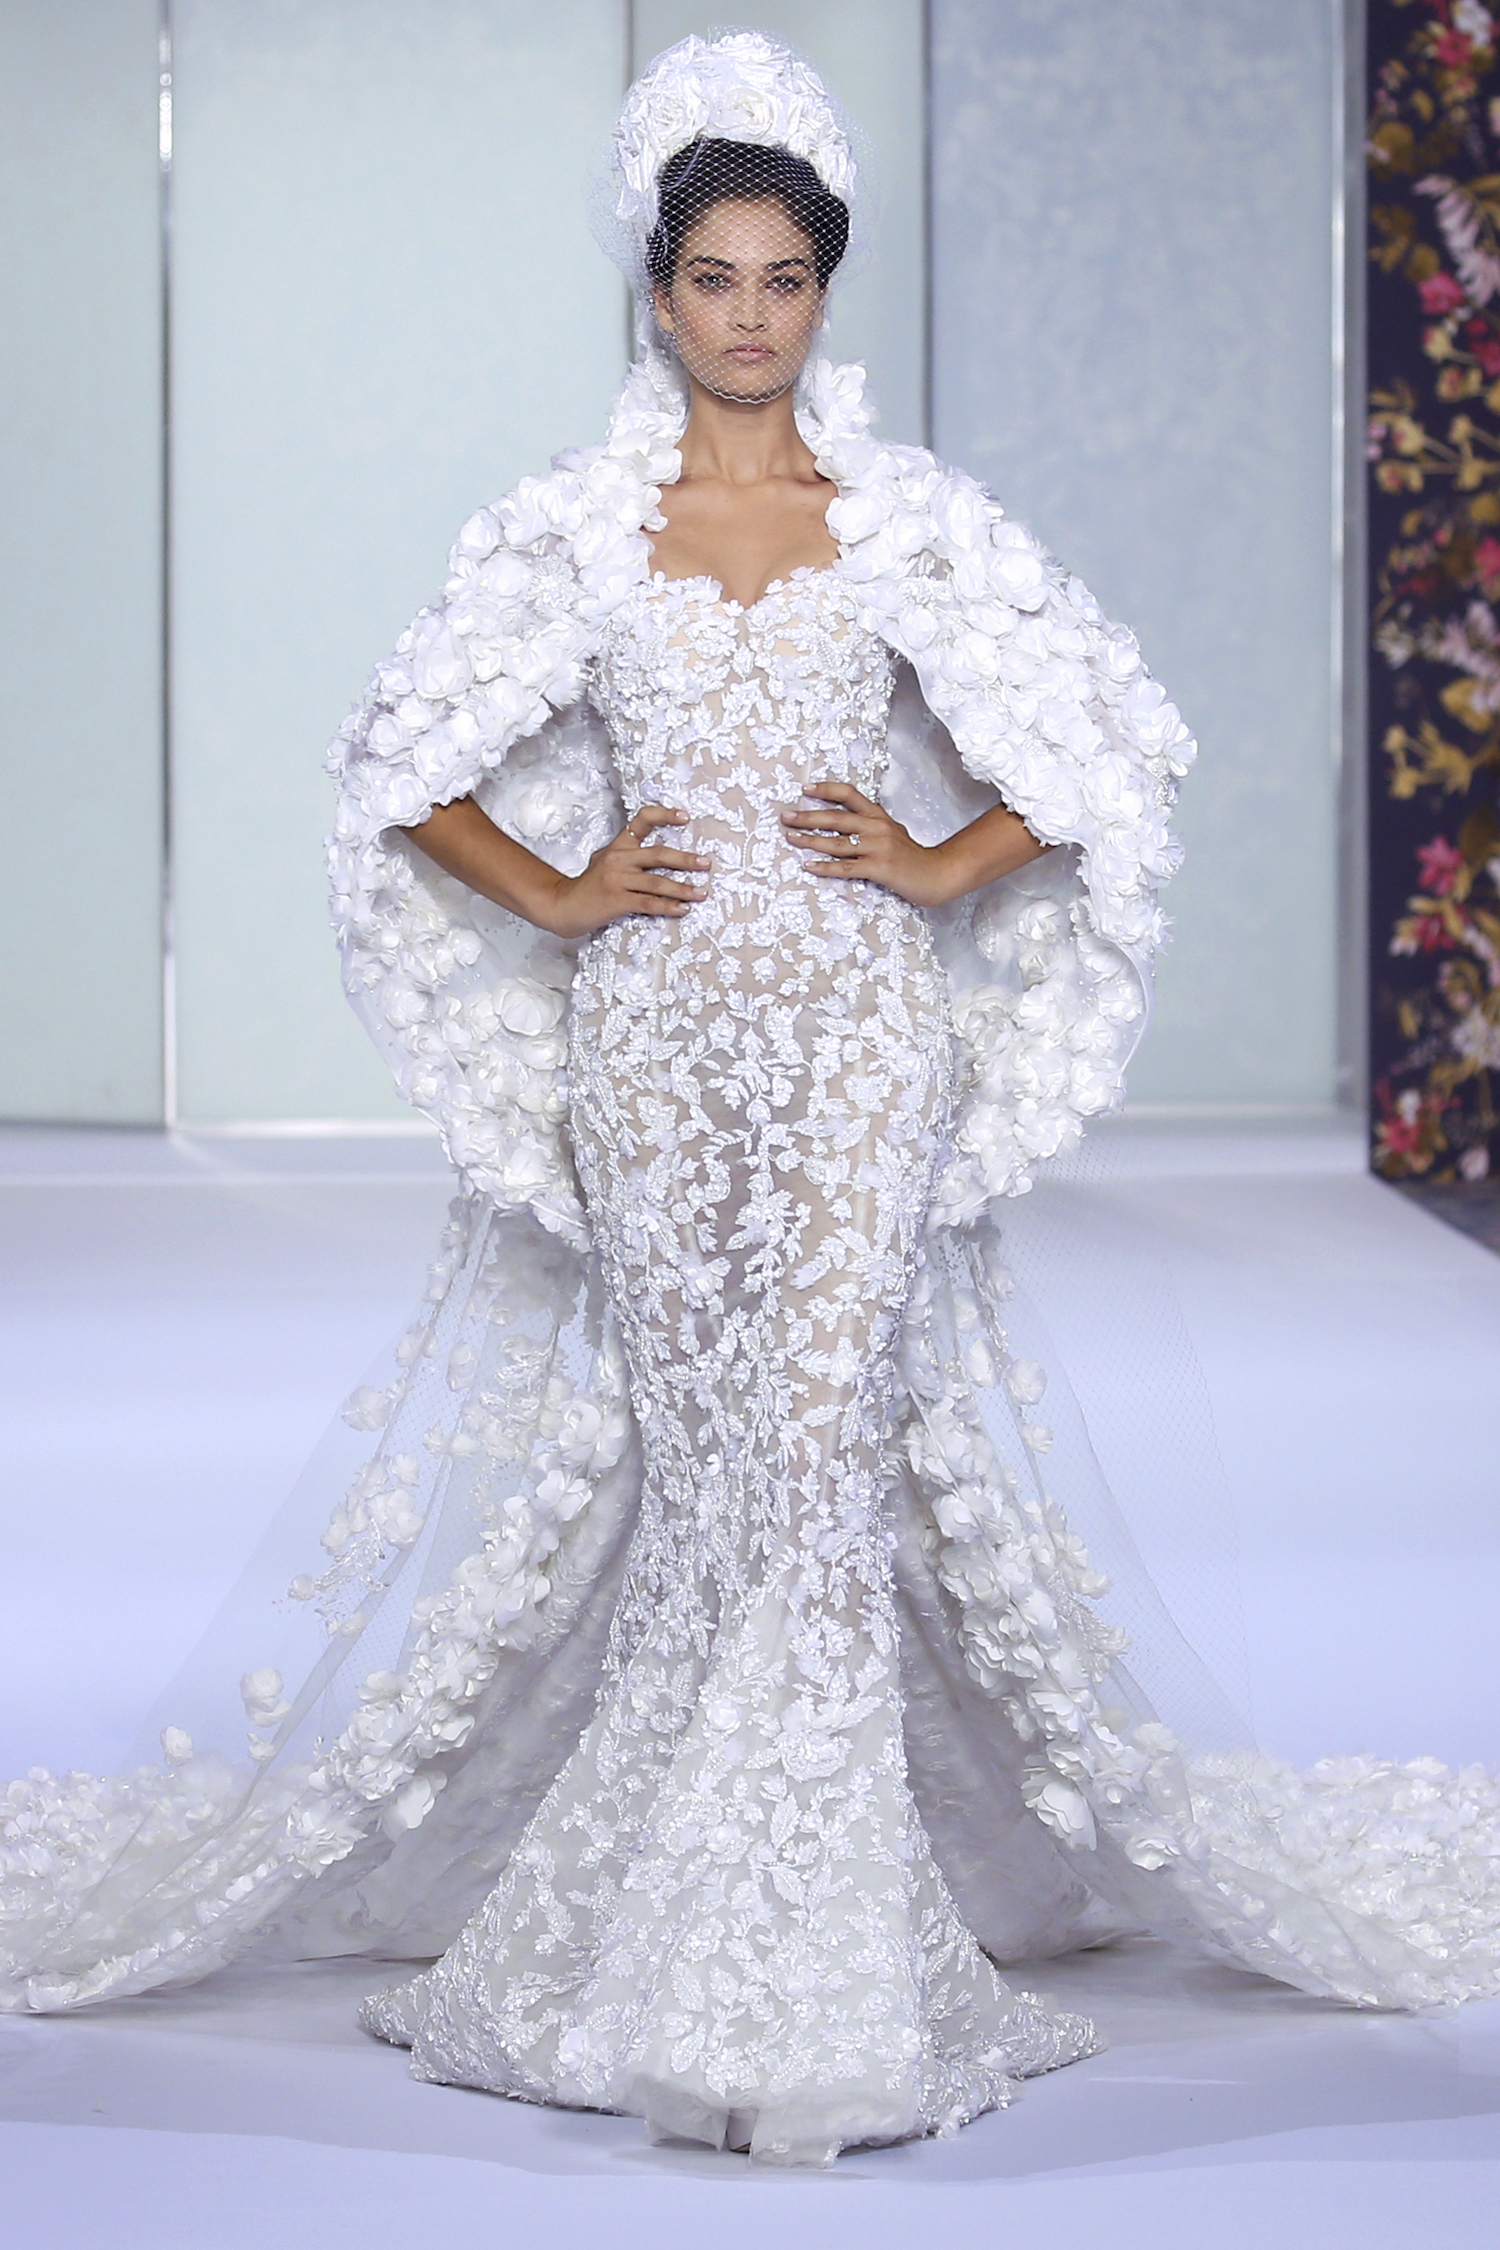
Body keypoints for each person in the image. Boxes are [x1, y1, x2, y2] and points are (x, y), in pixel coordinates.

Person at [2, 31, 1496, 2172]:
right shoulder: (572, 533)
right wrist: (570, 887)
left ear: (824, 290)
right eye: (713, 276)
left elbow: (1108, 745)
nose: (749, 316)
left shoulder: (904, 523)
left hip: (860, 1042)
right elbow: (394, 769)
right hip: (662, 1050)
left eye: (785, 277)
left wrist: (947, 853)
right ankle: (674, 1908)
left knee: (808, 1449)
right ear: (655, 284)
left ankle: (799, 1953)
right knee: (717, 1472)